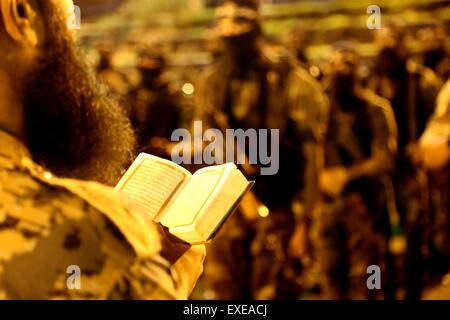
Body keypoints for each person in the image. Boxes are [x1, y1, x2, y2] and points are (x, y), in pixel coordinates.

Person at [0, 0, 205, 299]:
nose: (74, 41)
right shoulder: (89, 233)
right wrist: (172, 278)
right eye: (69, 16)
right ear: (20, 13)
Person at [195, 0, 328, 299]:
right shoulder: (213, 81)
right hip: (229, 213)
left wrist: (305, 223)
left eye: (239, 25)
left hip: (279, 210)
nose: (230, 32)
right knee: (225, 295)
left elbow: (310, 156)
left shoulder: (290, 81)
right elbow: (210, 141)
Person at [316, 45, 398, 299]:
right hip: (328, 207)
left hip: (366, 205)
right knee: (331, 275)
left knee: (369, 277)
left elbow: (385, 158)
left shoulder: (376, 109)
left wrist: (347, 175)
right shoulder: (322, 111)